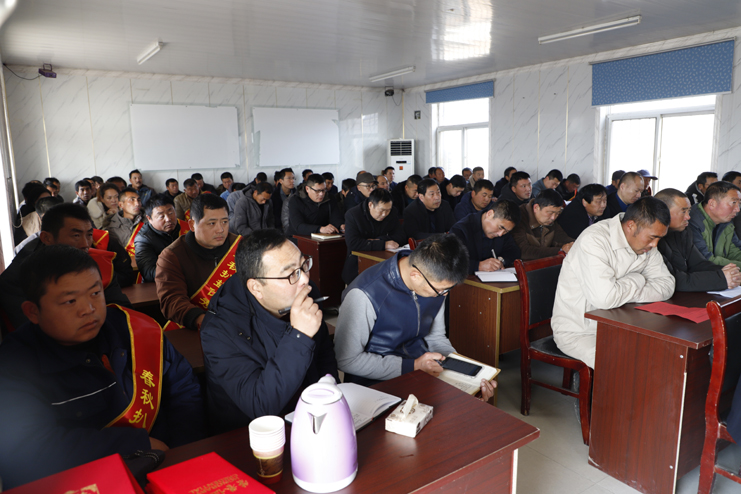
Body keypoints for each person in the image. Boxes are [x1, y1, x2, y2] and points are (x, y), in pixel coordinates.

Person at [0, 245, 205, 489]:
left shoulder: (135, 329)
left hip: (168, 467)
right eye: (70, 301)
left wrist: (182, 452)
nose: (88, 309)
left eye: (95, 293)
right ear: (32, 311)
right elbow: (27, 449)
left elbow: (183, 389)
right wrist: (138, 444)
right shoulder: (13, 364)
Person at [200, 230, 338, 434]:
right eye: (291, 274)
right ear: (256, 287)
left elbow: (324, 353)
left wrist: (331, 391)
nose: (304, 279)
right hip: (250, 437)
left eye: (303, 265)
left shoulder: (303, 292)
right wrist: (299, 336)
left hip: (310, 419)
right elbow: (260, 405)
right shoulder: (219, 332)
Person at [334, 234, 495, 401]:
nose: (444, 294)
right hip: (376, 383)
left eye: (448, 289)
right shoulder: (364, 294)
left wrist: (461, 372)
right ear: (415, 275)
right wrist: (413, 365)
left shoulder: (434, 280)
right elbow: (347, 360)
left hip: (422, 370)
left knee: (474, 402)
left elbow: (436, 337)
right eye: (440, 290)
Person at [552, 197, 675, 368]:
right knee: (625, 367)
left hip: (623, 325)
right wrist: (638, 278)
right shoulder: (594, 240)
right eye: (652, 237)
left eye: (659, 239)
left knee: (664, 355)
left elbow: (667, 285)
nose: (655, 245)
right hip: (581, 332)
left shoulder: (646, 244)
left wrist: (619, 291)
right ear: (631, 226)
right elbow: (604, 299)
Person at [0, 204, 133, 330]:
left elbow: (121, 310)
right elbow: (31, 330)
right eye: (76, 236)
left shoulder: (96, 262)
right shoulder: (18, 278)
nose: (85, 244)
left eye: (89, 235)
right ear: (47, 238)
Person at [156, 194, 240, 331]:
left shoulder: (240, 246)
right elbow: (171, 301)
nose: (220, 229)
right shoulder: (172, 256)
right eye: (212, 223)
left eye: (225, 222)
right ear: (192, 225)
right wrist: (203, 320)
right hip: (201, 327)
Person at [655, 188, 737, 292]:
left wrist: (726, 272)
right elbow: (674, 279)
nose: (688, 217)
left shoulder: (683, 232)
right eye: (683, 211)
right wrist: (721, 278)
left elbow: (698, 264)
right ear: (663, 213)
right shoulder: (653, 240)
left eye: (689, 211)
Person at [342, 188, 405, 284]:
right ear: (370, 205)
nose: (384, 214)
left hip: (385, 264)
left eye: (388, 210)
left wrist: (379, 240)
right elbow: (353, 243)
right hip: (358, 265)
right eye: (382, 210)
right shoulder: (353, 215)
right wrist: (383, 244)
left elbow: (401, 236)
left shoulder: (392, 213)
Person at [451, 200, 521, 274]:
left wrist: (500, 260)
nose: (500, 234)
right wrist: (478, 266)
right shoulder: (461, 229)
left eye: (506, 231)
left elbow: (514, 251)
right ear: (490, 214)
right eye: (500, 227)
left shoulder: (503, 230)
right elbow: (451, 262)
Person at [135, 197, 191, 283]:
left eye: (171, 213)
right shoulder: (143, 239)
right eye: (161, 216)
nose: (168, 219)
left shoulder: (185, 228)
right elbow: (149, 273)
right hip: (161, 284)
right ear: (149, 219)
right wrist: (183, 270)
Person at [688, 181, 741, 267]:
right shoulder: (692, 222)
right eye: (733, 203)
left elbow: (734, 251)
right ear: (712, 204)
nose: (738, 209)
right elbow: (705, 260)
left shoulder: (725, 221)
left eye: (739, 204)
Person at [511, 189, 574, 260]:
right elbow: (523, 251)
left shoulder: (550, 220)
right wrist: (560, 250)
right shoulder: (519, 217)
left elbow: (562, 238)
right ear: (536, 208)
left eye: (557, 213)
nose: (553, 218)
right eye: (550, 213)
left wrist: (573, 244)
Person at [104, 187, 143, 252]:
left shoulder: (149, 220)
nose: (137, 204)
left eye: (138, 200)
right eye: (132, 200)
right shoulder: (111, 227)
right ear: (121, 204)